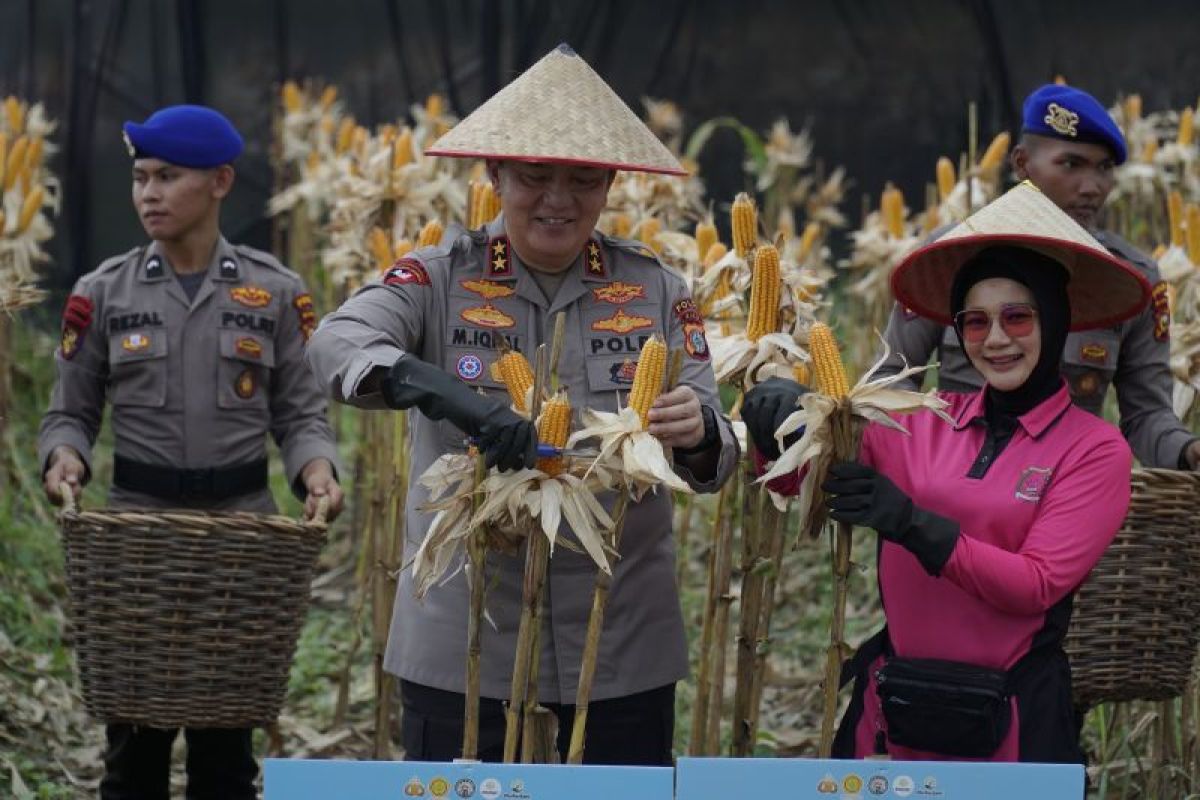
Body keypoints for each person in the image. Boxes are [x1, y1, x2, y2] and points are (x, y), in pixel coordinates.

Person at [305, 44, 738, 765]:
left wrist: (696, 433)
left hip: (618, 644)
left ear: (610, 185)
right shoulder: (438, 278)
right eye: (535, 176)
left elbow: (715, 453)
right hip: (467, 643)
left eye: (583, 179)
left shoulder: (659, 289)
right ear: (495, 174)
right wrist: (437, 390)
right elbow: (335, 344)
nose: (558, 200)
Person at [743, 181, 1151, 762]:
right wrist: (774, 427)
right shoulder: (923, 418)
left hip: (1010, 720)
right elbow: (801, 483)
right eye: (976, 322)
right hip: (897, 711)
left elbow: (1035, 586)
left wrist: (912, 523)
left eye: (1018, 316)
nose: (998, 339)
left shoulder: (1094, 448)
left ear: (1055, 320)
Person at [38, 104, 344, 800]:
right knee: (132, 759)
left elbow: (301, 414)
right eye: (141, 177)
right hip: (135, 539)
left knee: (225, 758)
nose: (148, 193)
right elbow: (70, 412)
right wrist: (64, 458)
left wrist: (317, 471)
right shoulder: (103, 293)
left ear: (221, 182)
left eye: (168, 177)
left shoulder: (274, 293)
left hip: (242, 535)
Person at [878, 83, 1199, 471]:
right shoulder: (950, 254)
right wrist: (927, 460)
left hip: (1061, 484)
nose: (1092, 187)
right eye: (1071, 164)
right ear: (1021, 163)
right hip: (955, 476)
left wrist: (1186, 450)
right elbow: (891, 378)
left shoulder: (1132, 279)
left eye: (1104, 168)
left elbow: (1147, 414)